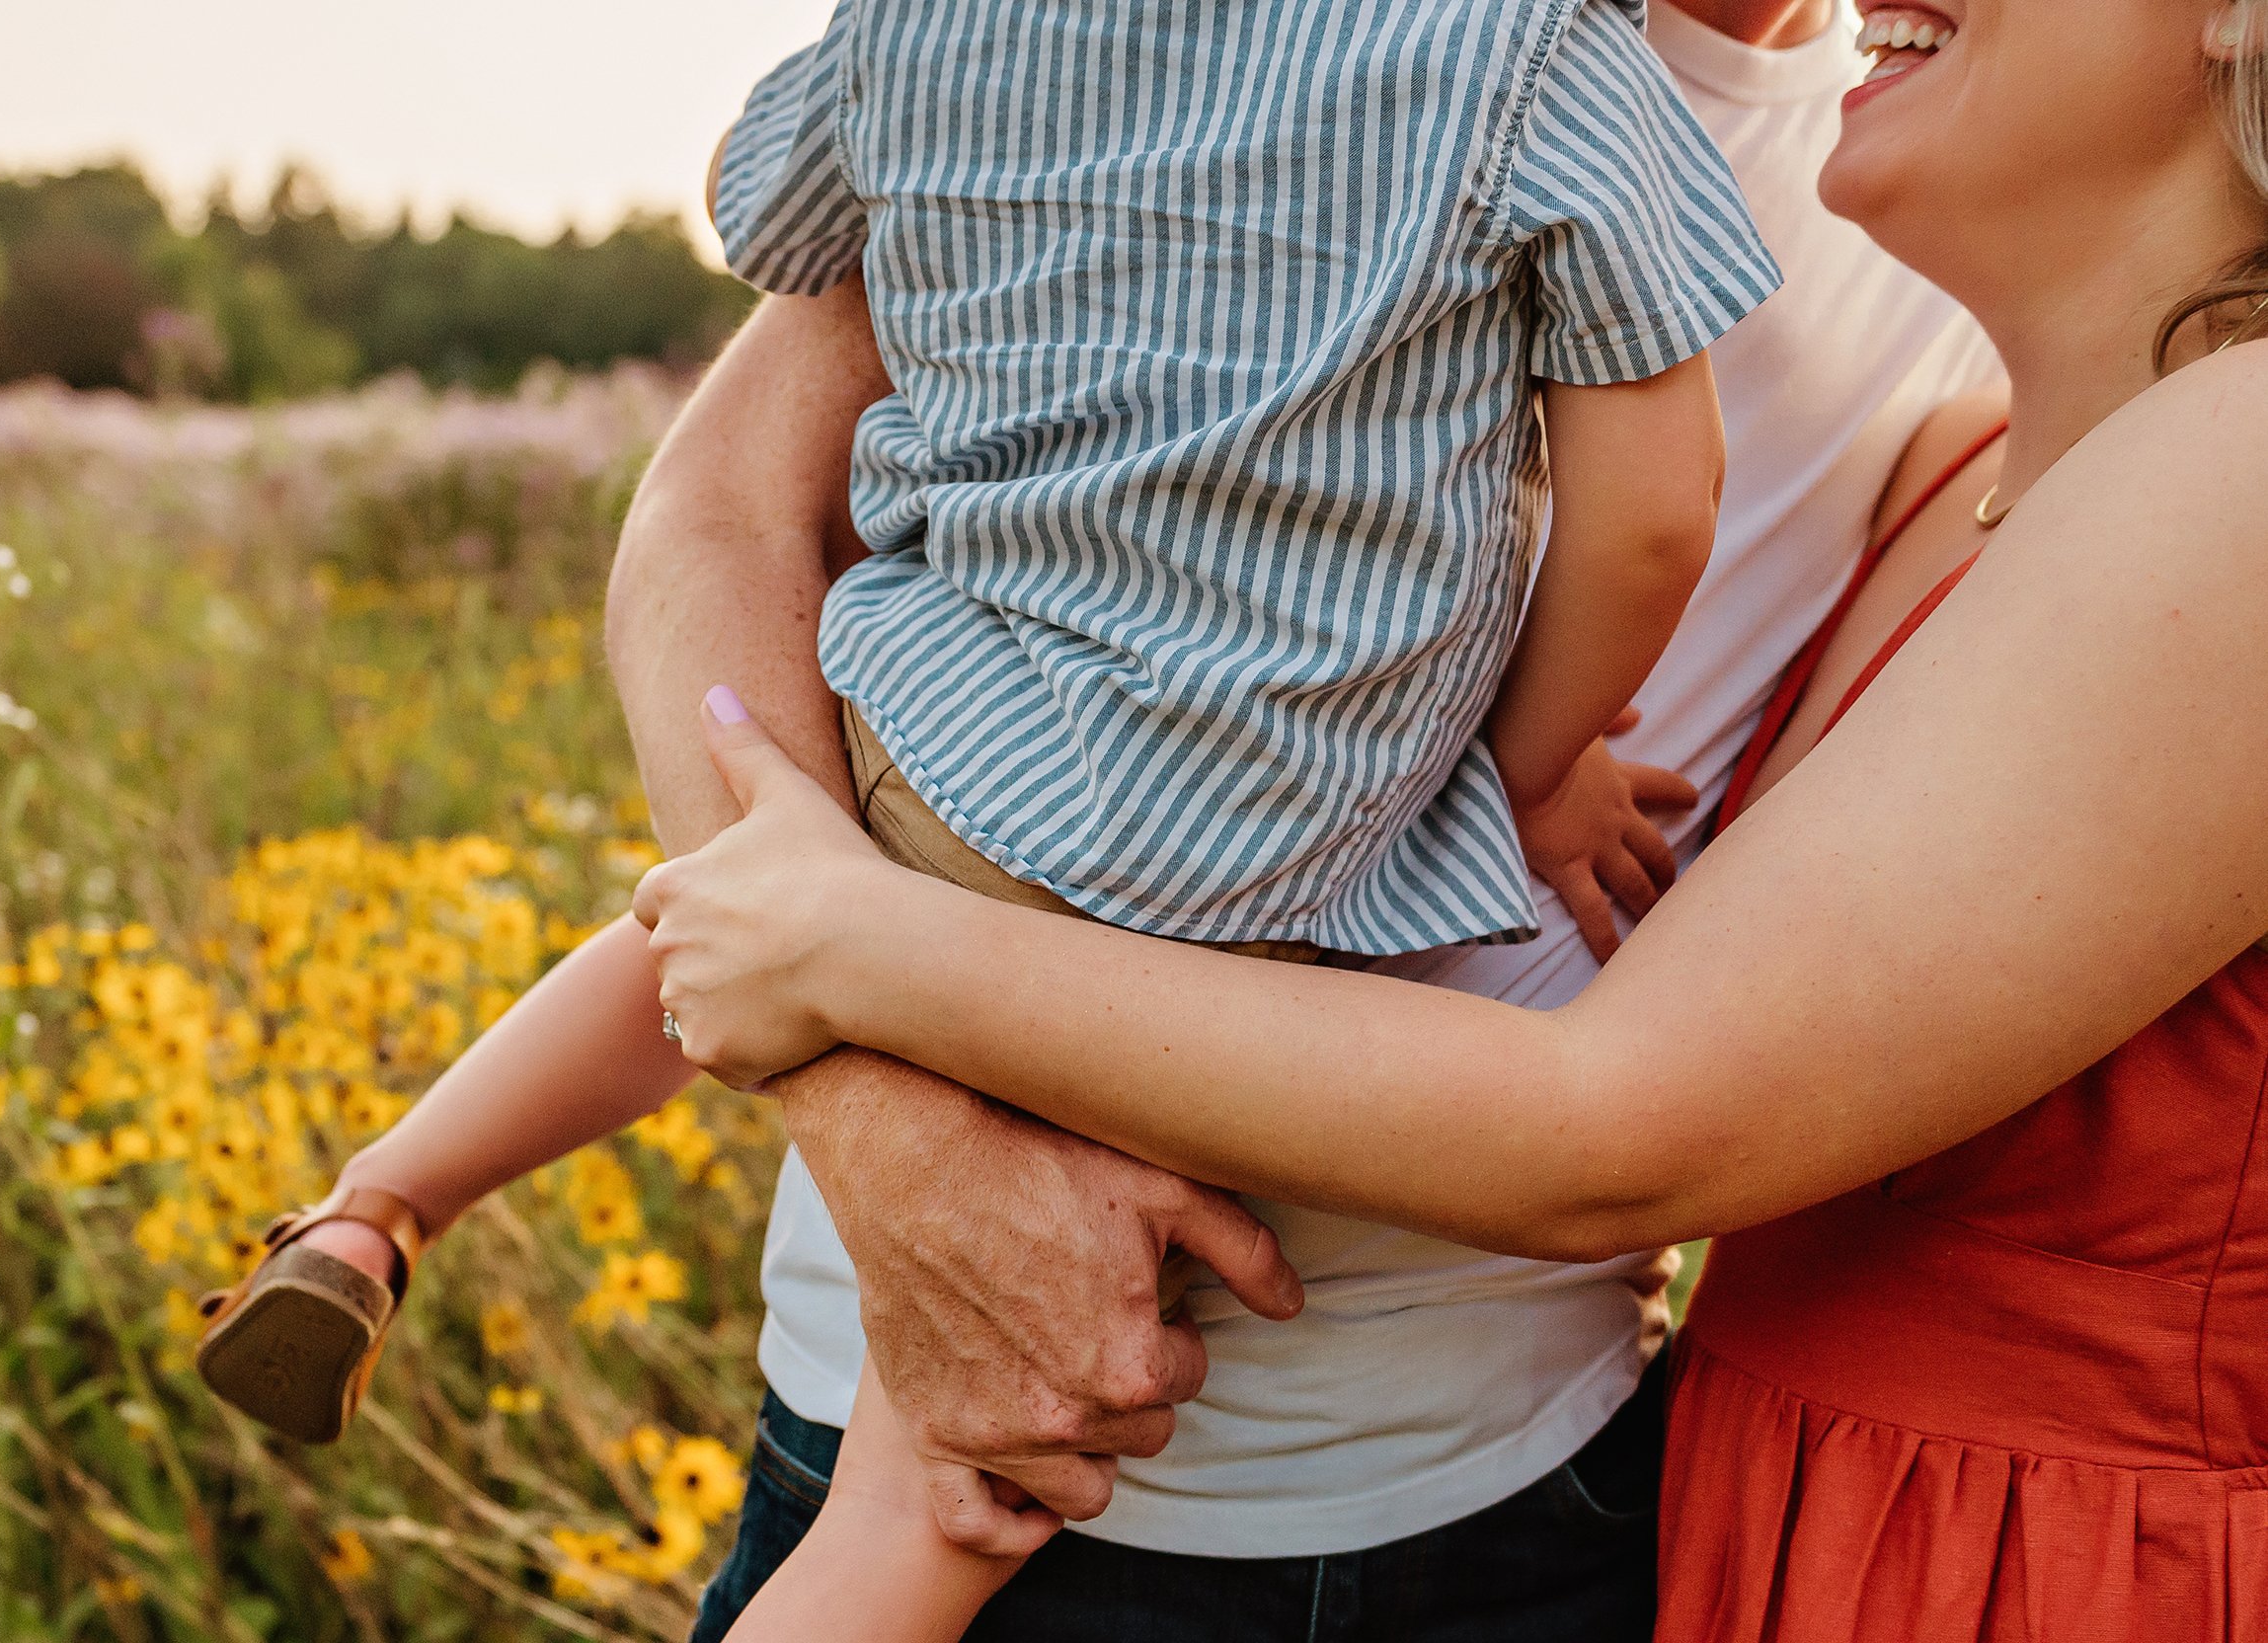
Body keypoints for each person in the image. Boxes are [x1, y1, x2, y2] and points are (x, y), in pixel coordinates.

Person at [633, 0, 2268, 1631]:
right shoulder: (1287, 48)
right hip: (1038, 1402)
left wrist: (851, 955)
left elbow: (1636, 1119)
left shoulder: (1919, 261)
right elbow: (724, 513)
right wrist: (884, 1121)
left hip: (1526, 1486)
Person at [198, 0, 1770, 1526]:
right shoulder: (1544, 56)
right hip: (1245, 825)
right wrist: (1532, 762)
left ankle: (384, 1206)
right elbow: (1651, 510)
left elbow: (765, 212)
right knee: (990, 1412)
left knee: (731, 916)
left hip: (952, 720)